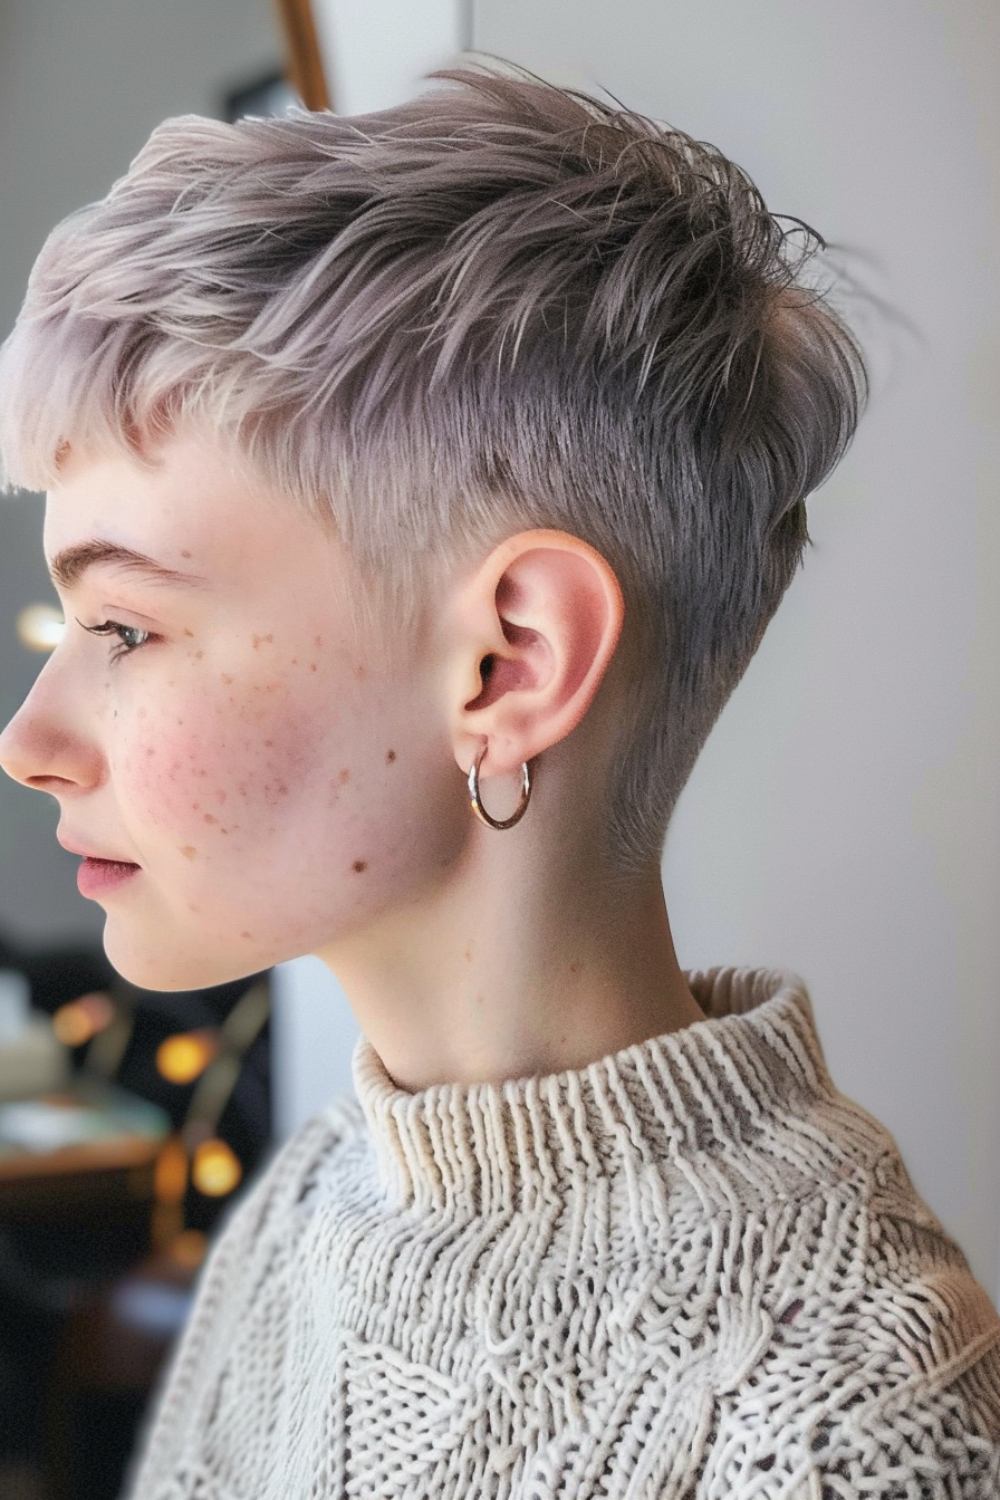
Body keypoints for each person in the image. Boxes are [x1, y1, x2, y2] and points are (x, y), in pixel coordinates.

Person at [0, 64, 997, 1499]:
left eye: (125, 627)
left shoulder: (846, 1429)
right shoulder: (307, 1211)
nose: (28, 737)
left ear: (509, 663)